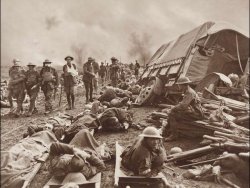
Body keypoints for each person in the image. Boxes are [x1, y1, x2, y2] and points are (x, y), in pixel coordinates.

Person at [165, 77, 205, 141]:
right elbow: (184, 104)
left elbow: (183, 106)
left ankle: (174, 135)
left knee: (172, 114)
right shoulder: (187, 91)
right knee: (173, 112)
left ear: (183, 85)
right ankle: (166, 130)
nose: (178, 86)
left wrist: (173, 108)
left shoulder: (189, 92)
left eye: (179, 85)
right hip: (193, 111)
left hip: (197, 114)